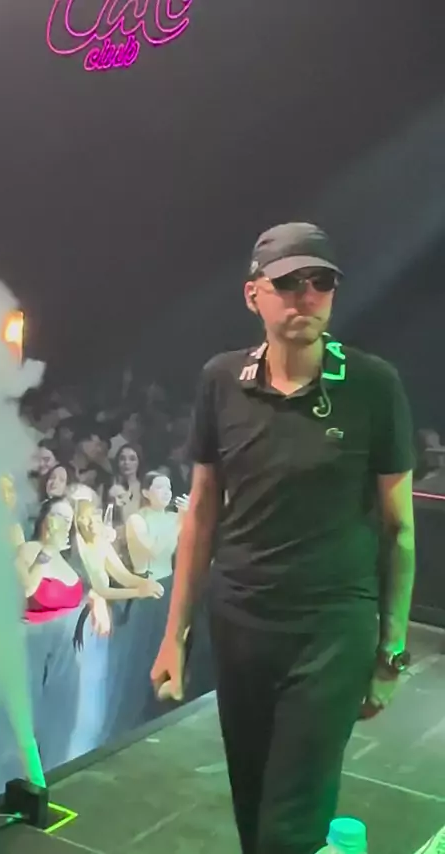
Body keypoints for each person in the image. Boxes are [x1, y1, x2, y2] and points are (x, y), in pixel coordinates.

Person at [151, 222, 416, 854]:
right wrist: (174, 635)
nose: (306, 295)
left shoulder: (373, 384)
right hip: (241, 624)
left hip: (332, 631)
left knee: (288, 828)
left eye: (320, 282)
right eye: (289, 282)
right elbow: (201, 514)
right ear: (254, 295)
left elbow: (400, 529)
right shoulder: (221, 380)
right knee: (253, 810)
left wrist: (392, 651)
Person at [125, 471, 189, 581]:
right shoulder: (136, 520)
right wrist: (180, 522)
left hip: (171, 579)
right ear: (146, 493)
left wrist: (194, 514)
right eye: (159, 487)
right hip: (147, 583)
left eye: (168, 488)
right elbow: (154, 551)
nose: (166, 492)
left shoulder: (174, 517)